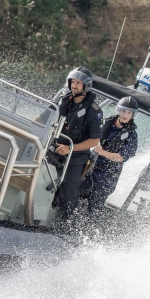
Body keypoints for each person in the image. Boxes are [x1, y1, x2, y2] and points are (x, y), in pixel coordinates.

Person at [52, 66, 103, 222]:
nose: (74, 86)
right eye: (73, 82)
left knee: (68, 194)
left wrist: (70, 148)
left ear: (85, 86)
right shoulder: (63, 100)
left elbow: (94, 141)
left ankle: (64, 227)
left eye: (78, 83)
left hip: (76, 158)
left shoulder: (94, 111)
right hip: (53, 149)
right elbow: (45, 116)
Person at [87, 96, 139, 221]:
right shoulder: (106, 122)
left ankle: (89, 228)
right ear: (118, 110)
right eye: (124, 111)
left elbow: (121, 157)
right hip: (90, 164)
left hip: (108, 173)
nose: (125, 115)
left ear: (133, 115)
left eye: (129, 112)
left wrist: (102, 152)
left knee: (97, 200)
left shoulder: (132, 135)